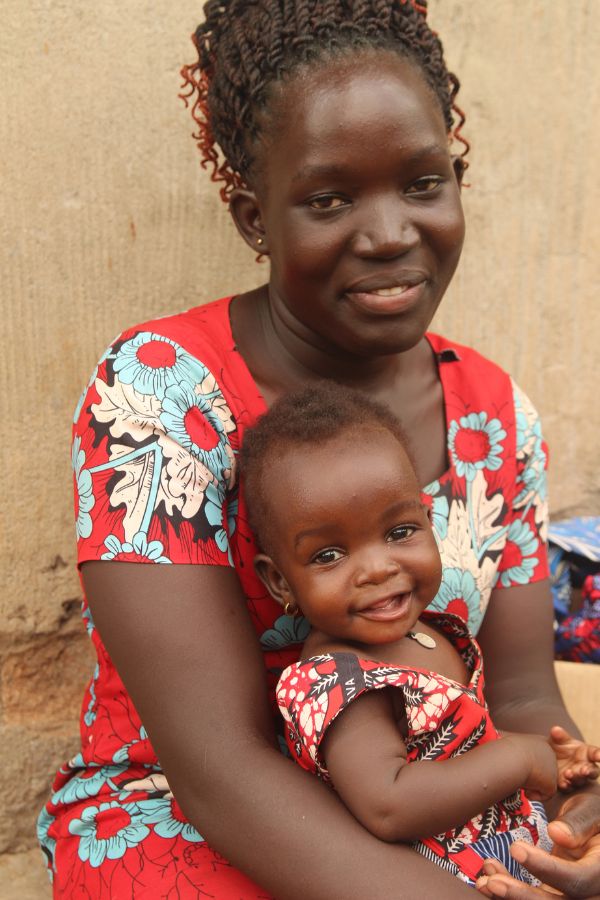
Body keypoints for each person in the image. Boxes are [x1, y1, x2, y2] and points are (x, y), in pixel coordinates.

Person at [38, 1, 600, 897]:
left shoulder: (498, 418)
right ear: (255, 218)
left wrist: (572, 828)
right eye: (330, 199)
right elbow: (217, 769)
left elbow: (525, 707)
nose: (388, 235)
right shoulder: (159, 396)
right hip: (198, 823)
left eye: (422, 183)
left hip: (449, 810)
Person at [241, 383, 600, 888]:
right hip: (431, 879)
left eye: (399, 532)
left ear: (429, 522)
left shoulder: (433, 633)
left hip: (508, 848)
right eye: (329, 555)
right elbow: (390, 804)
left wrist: (561, 766)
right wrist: (519, 758)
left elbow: (470, 744)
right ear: (280, 580)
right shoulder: (337, 678)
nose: (377, 568)